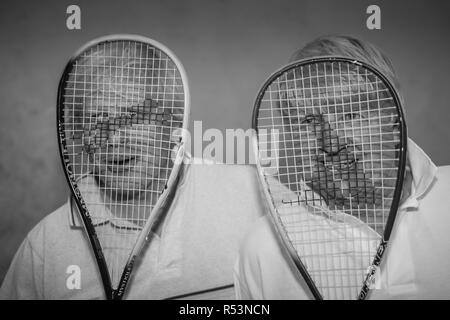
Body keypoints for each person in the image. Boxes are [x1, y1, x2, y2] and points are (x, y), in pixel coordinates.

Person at [0, 39, 263, 300]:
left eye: (134, 117)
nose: (114, 139)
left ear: (173, 125)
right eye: (96, 120)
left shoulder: (253, 196)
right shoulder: (45, 248)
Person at [234, 35, 450, 299]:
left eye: (350, 115)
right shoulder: (263, 248)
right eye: (309, 121)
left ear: (395, 121)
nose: (330, 142)